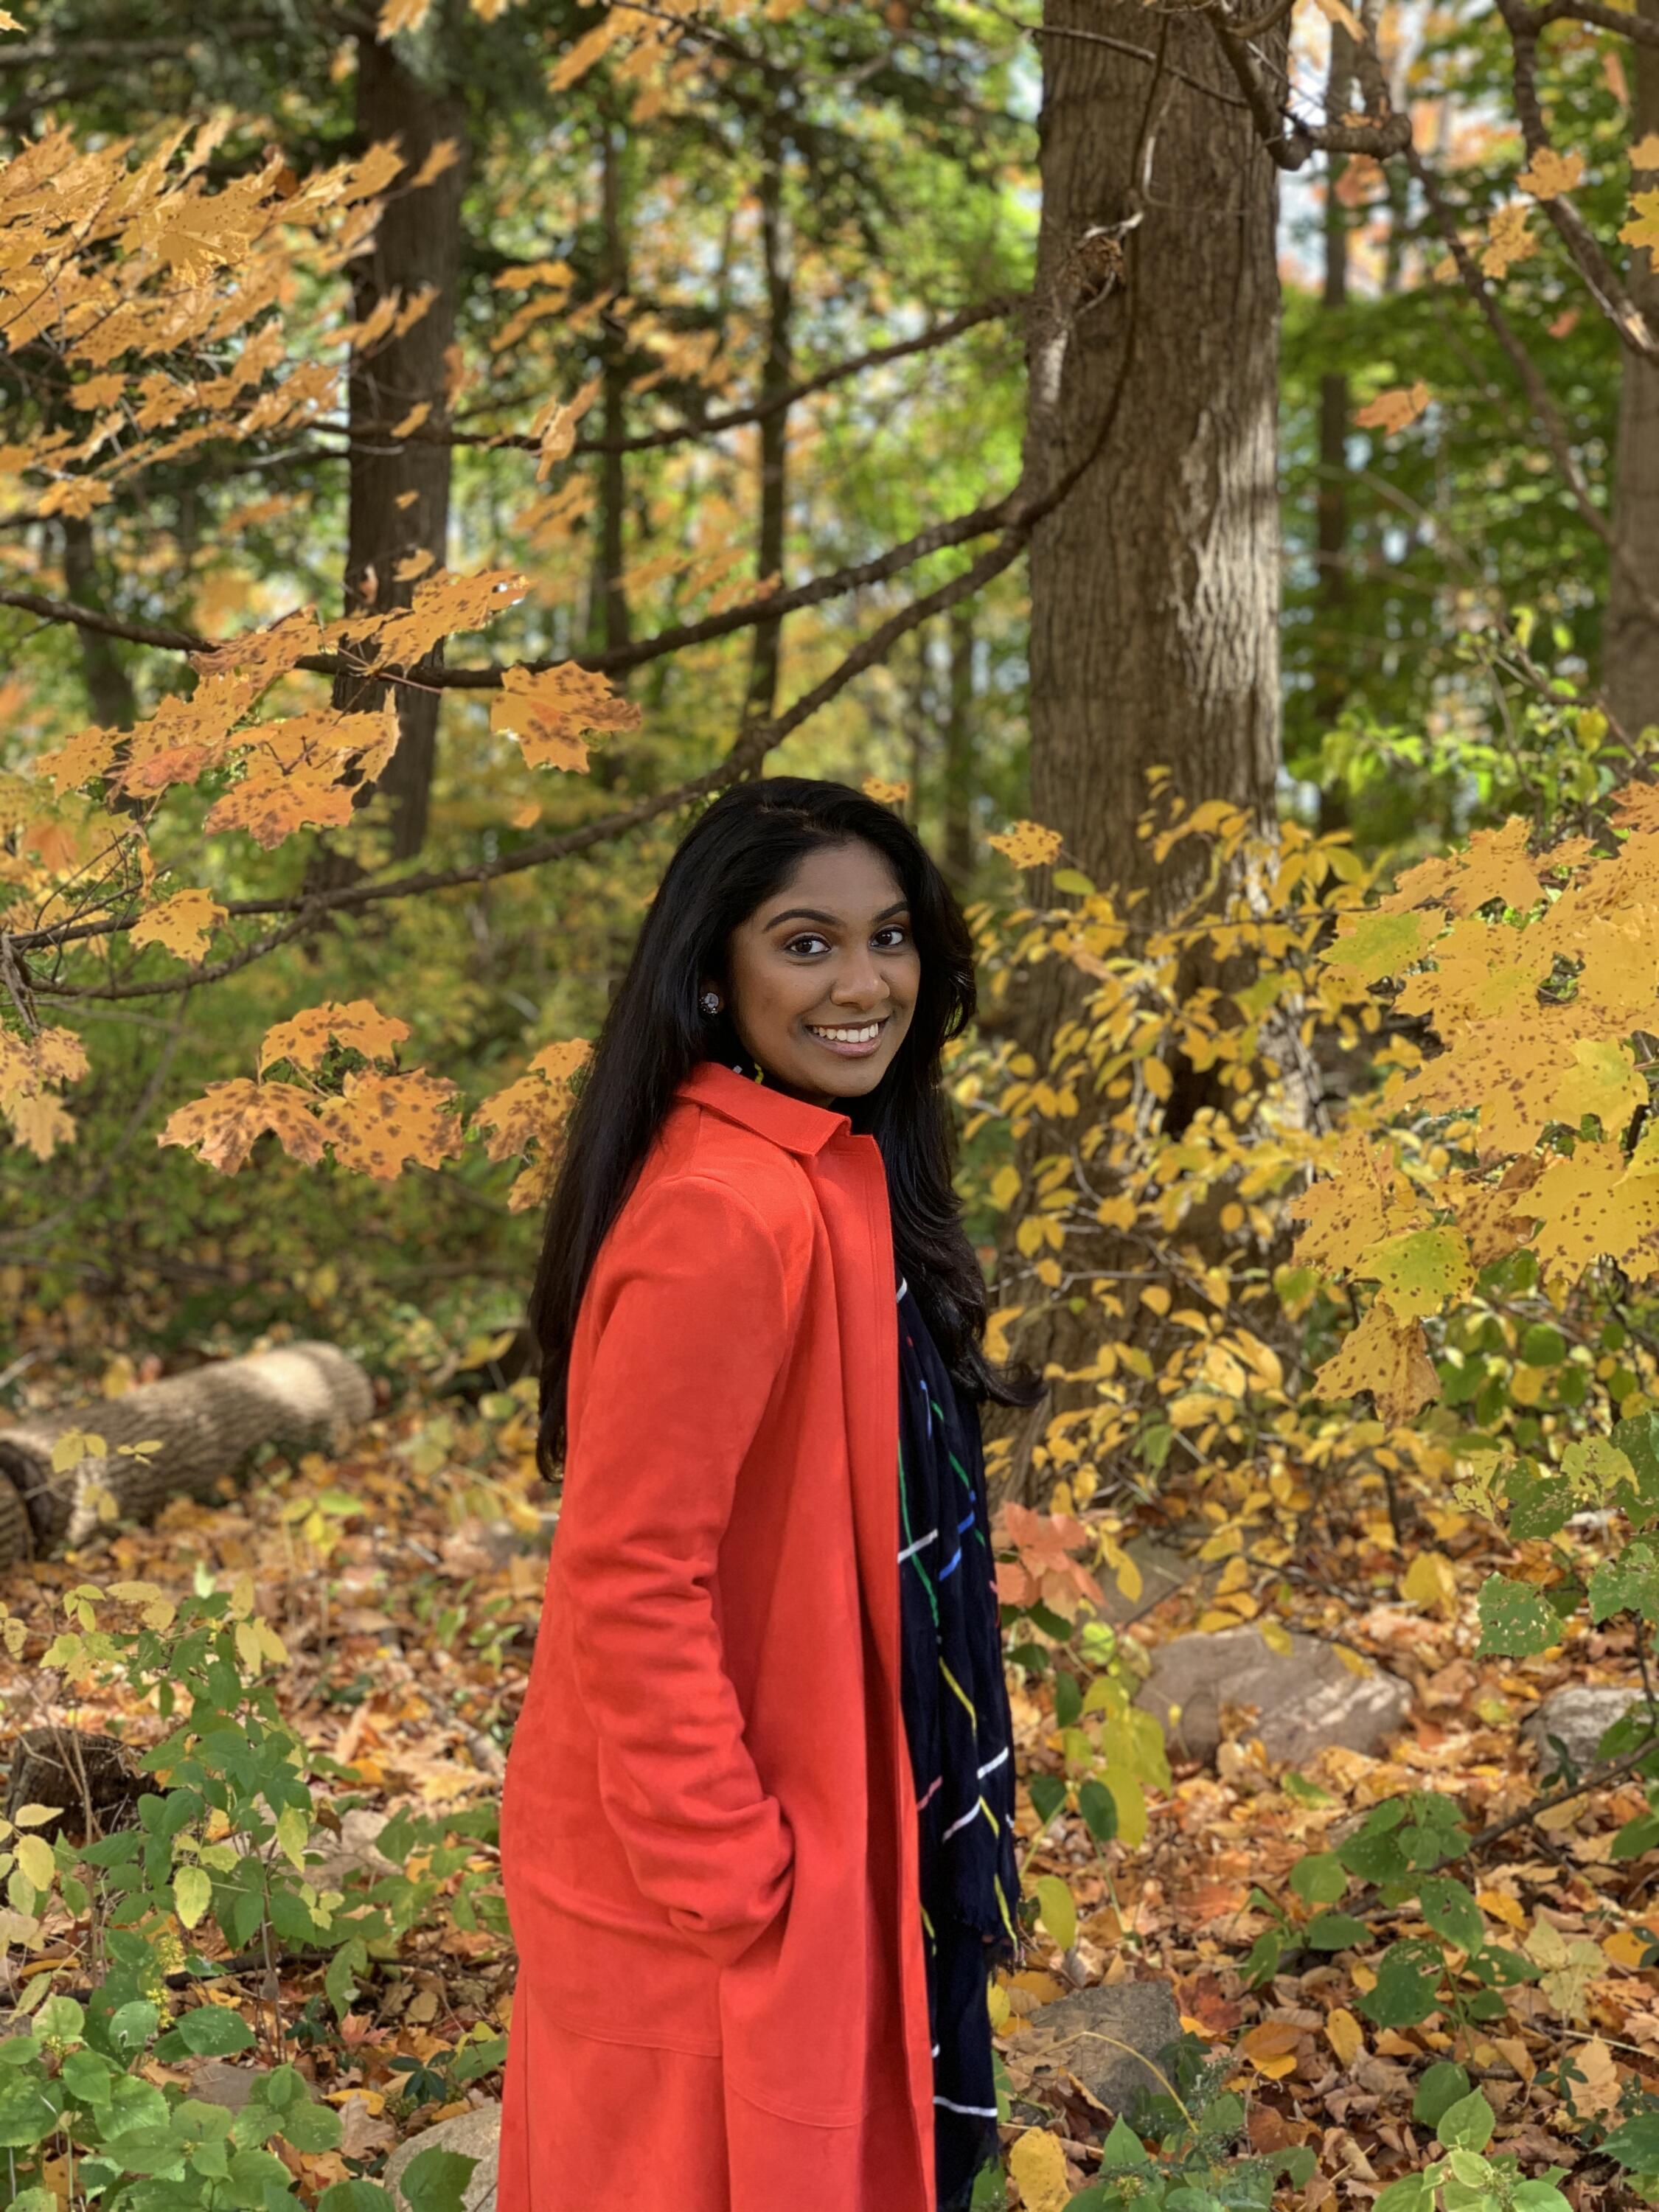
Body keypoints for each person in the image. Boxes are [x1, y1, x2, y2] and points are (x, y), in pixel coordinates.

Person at [497, 776, 1043, 2212]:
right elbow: (627, 1578)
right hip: (699, 1881)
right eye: (806, 943)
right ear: (711, 969)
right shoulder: (721, 1215)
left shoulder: (818, 1173)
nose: (865, 982)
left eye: (892, 936)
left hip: (802, 1824)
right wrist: (740, 1871)